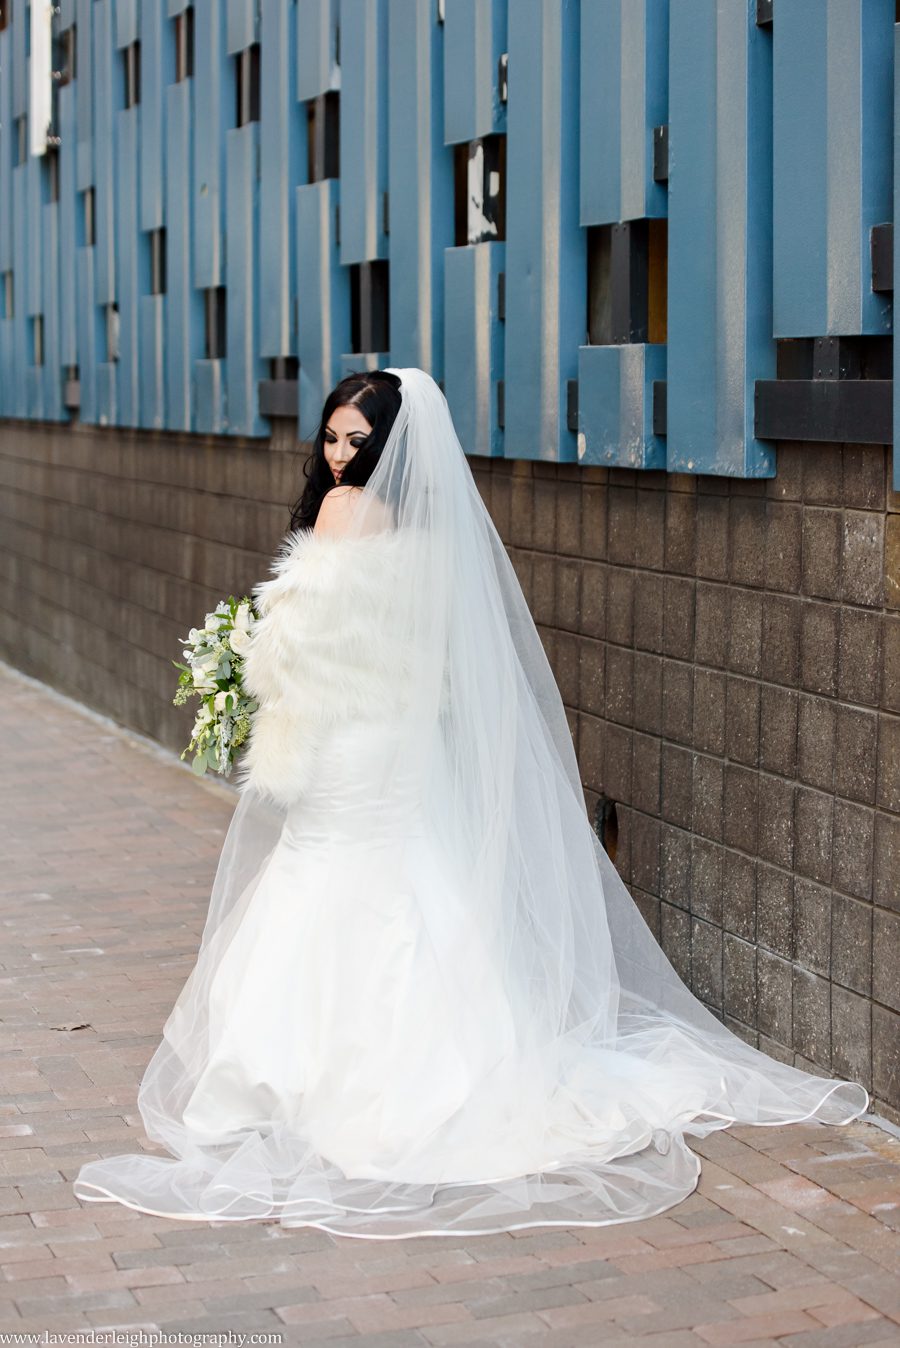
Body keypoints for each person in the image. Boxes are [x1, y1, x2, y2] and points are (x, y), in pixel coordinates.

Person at [72, 367, 868, 1238]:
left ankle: (316, 1081)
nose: (338, 458)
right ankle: (450, 1063)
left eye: (356, 443)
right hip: (395, 740)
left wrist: (239, 658)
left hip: (343, 740)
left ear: (387, 448)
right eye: (332, 439)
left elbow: (292, 652)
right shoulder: (430, 531)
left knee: (327, 873)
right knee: (404, 874)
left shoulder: (342, 516)